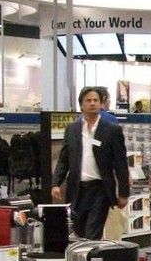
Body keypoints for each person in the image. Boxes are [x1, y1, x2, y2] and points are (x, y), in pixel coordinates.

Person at [51, 86, 129, 239]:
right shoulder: (72, 129)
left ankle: (91, 253)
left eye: (96, 100)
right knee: (79, 232)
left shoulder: (112, 130)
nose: (92, 103)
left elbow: (121, 164)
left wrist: (123, 193)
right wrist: (56, 183)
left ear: (101, 104)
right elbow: (64, 159)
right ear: (81, 105)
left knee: (92, 233)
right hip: (77, 189)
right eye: (88, 100)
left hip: (100, 189)